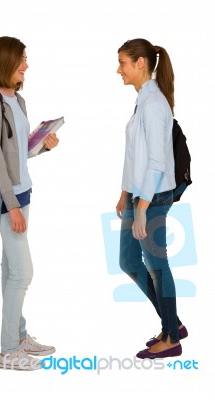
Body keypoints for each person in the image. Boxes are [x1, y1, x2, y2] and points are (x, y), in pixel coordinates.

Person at [0, 36, 59, 370]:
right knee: (23, 273)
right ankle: (8, 351)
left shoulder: (19, 101)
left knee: (10, 269)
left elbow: (19, 153)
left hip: (23, 194)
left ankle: (19, 332)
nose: (26, 65)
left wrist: (44, 145)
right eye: (21, 59)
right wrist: (11, 206)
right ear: (4, 62)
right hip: (6, 199)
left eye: (25, 59)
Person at [116, 38, 188, 359]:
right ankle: (172, 321)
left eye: (123, 63)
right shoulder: (142, 101)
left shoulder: (155, 104)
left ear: (141, 63)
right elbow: (136, 156)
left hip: (153, 198)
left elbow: (157, 163)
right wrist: (124, 194)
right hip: (137, 196)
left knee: (158, 267)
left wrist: (142, 208)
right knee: (129, 261)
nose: (119, 70)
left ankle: (171, 337)